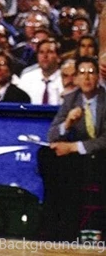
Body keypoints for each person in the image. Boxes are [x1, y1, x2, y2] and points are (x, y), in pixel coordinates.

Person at [38, 55, 106, 241]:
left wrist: (74, 147)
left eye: (91, 72)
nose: (87, 77)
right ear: (75, 78)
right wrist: (67, 123)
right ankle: (54, 227)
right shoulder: (71, 99)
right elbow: (52, 135)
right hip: (79, 161)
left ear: (98, 77)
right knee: (46, 154)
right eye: (82, 73)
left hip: (101, 156)